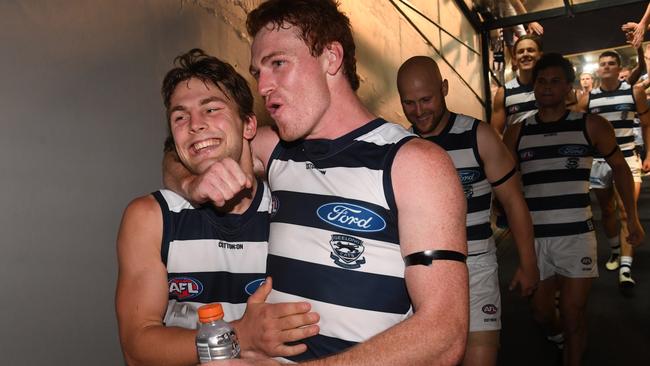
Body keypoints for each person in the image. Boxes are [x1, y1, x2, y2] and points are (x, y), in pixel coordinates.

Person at [165, 1, 469, 365]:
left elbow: (444, 333)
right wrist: (191, 184)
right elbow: (181, 152)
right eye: (257, 71)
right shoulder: (275, 151)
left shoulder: (412, 163)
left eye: (277, 63)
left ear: (331, 57)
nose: (262, 86)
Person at [115, 49, 320, 366]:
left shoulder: (291, 214)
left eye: (211, 109)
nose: (195, 125)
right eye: (180, 116)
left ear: (249, 126)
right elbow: (137, 348)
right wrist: (240, 335)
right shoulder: (151, 216)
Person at [503, 53, 644, 366]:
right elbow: (504, 183)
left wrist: (631, 219)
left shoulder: (591, 126)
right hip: (534, 240)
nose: (547, 87)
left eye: (555, 81)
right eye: (541, 81)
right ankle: (558, 336)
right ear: (534, 87)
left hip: (577, 237)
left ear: (568, 87)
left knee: (573, 314)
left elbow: (621, 169)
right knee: (541, 313)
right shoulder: (517, 132)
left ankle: (572, 346)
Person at [396, 55, 539, 366]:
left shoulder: (480, 136)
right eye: (409, 103)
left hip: (476, 267)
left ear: (444, 88)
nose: (419, 111)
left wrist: (529, 263)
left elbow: (514, 201)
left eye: (426, 99)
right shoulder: (399, 144)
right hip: (419, 274)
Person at [577, 50, 650, 289]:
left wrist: (649, 153)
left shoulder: (634, 91)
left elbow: (647, 125)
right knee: (607, 210)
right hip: (599, 163)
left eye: (611, 63)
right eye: (603, 64)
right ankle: (616, 251)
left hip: (628, 159)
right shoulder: (589, 98)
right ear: (598, 69)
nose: (606, 67)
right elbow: (578, 129)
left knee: (627, 212)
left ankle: (626, 267)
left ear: (619, 68)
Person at [491, 35, 543, 134]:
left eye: (530, 50)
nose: (525, 54)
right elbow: (496, 133)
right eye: (520, 51)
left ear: (540, 55)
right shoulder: (503, 92)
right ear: (514, 59)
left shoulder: (551, 88)